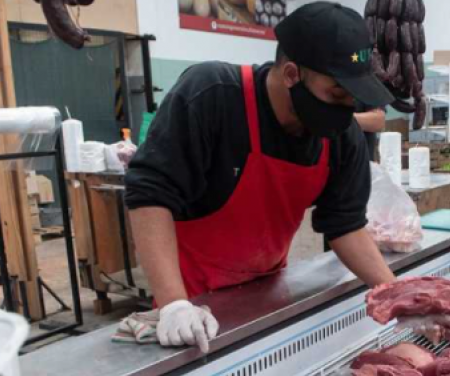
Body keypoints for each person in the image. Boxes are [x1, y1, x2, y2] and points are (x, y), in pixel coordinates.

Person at [125, 2, 397, 352]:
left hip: (264, 293)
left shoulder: (340, 136)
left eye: (353, 98)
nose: (345, 109)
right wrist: (173, 304)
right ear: (291, 74)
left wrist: (399, 296)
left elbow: (345, 226)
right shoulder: (212, 96)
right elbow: (149, 194)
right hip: (191, 301)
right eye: (336, 94)